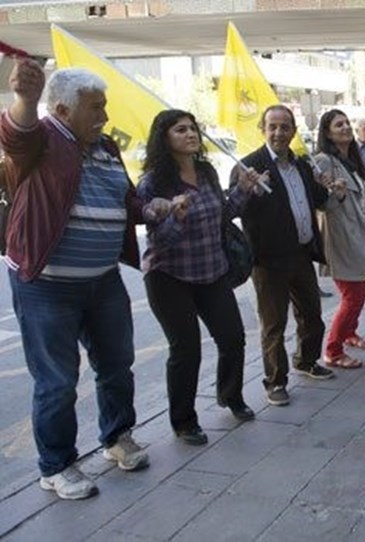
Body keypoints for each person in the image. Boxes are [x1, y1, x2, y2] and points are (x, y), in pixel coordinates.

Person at [2, 59, 154, 499]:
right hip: (47, 284)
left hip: (103, 280)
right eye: (96, 108)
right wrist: (26, 100)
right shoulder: (46, 137)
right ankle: (57, 465)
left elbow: (124, 198)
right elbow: (15, 134)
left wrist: (153, 210)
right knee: (56, 381)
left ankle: (117, 438)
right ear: (64, 111)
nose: (105, 117)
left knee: (116, 364)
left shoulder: (105, 147)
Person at [138, 110, 262, 445]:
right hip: (169, 276)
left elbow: (224, 214)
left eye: (193, 128)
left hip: (211, 271)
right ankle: (184, 421)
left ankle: (230, 395)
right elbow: (160, 240)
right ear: (164, 138)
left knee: (233, 337)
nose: (191, 134)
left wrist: (243, 190)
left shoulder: (206, 172)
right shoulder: (153, 182)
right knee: (186, 349)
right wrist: (175, 216)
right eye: (181, 130)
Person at [232, 105, 334, 408]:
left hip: (301, 252)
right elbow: (234, 210)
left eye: (285, 127)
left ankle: (307, 360)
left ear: (293, 131)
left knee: (312, 315)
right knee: (274, 324)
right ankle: (275, 381)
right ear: (263, 129)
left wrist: (328, 188)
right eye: (273, 127)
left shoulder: (303, 164)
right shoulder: (248, 166)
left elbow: (316, 201)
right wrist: (248, 191)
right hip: (268, 260)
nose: (279, 133)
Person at [312, 109, 365, 367]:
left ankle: (349, 333)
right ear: (327, 132)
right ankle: (332, 350)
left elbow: (360, 192)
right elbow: (323, 204)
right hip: (341, 237)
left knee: (359, 292)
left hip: (358, 233)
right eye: (338, 125)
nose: (345, 128)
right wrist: (336, 194)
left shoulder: (349, 160)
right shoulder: (323, 161)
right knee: (353, 296)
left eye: (346, 123)